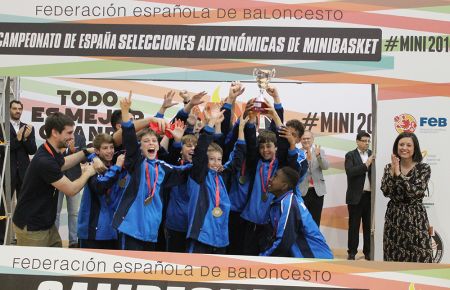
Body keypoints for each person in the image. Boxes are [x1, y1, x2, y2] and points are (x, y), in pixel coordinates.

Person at [12, 112, 96, 247]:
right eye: (69, 133)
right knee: (36, 267)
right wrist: (88, 172)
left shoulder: (49, 150)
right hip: (32, 228)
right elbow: (71, 189)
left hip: (46, 224)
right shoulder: (45, 161)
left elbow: (63, 163)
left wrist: (86, 152)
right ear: (55, 132)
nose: (72, 137)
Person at [259, 167, 333, 258]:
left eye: (275, 176)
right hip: (301, 260)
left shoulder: (289, 204)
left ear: (284, 186)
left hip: (316, 259)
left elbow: (284, 240)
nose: (270, 179)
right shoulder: (278, 203)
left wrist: (263, 258)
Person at [381, 132, 432, 262]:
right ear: (396, 147)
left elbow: (414, 192)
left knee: (420, 256)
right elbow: (386, 191)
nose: (404, 148)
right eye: (401, 144)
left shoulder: (423, 168)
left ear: (415, 148)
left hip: (415, 217)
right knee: (394, 256)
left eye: (409, 145)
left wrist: (398, 174)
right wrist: (393, 172)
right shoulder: (389, 167)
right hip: (395, 217)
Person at [78, 133, 126, 249]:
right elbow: (99, 188)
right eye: (105, 148)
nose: (109, 151)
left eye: (111, 147)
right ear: (97, 151)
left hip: (112, 231)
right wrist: (117, 166)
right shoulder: (91, 167)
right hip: (92, 232)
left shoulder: (113, 167)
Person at [0, 100, 37, 244]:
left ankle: (21, 237)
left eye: (20, 109)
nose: (17, 111)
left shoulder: (28, 128)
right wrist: (19, 138)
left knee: (24, 206)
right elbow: (4, 149)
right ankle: (2, 238)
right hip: (6, 172)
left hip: (24, 173)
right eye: (15, 108)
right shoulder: (2, 127)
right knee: (3, 207)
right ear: (9, 110)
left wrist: (26, 138)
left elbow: (32, 150)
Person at [344, 131, 374, 260]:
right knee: (354, 226)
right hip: (355, 196)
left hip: (370, 196)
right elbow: (350, 172)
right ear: (357, 141)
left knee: (368, 226)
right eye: (364, 141)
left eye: (368, 141)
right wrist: (366, 164)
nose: (366, 143)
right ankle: (352, 252)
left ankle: (368, 252)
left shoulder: (373, 154)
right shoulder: (350, 155)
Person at [55, 133, 86, 248]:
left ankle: (73, 241)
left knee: (73, 213)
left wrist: (74, 152)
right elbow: (54, 156)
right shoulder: (57, 138)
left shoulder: (80, 138)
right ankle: (55, 241)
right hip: (57, 179)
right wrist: (67, 150)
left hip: (74, 179)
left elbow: (84, 159)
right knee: (55, 212)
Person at [299, 130, 330, 226]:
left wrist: (318, 156)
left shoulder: (320, 151)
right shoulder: (297, 153)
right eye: (304, 138)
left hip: (318, 191)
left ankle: (315, 241)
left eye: (308, 138)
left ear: (312, 139)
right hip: (302, 191)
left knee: (316, 221)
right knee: (303, 221)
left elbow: (325, 167)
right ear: (300, 140)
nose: (306, 140)